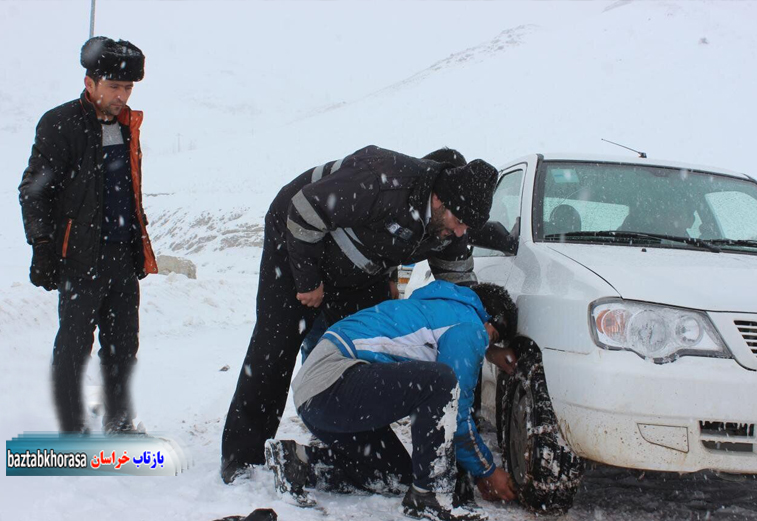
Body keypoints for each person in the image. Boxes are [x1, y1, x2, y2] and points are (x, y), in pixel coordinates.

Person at [222, 146, 498, 483]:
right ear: (440, 201)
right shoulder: (383, 181)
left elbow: (460, 297)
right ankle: (242, 458)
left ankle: (359, 449)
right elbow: (305, 210)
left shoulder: (453, 228)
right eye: (459, 222)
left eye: (467, 227)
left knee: (369, 351)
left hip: (360, 267)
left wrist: (485, 336)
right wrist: (309, 280)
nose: (460, 233)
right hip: (297, 241)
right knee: (275, 345)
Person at [265, 280, 518, 521]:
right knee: (442, 381)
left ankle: (299, 462)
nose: (486, 343)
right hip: (333, 384)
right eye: (493, 337)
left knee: (397, 477)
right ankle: (431, 498)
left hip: (318, 397)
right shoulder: (470, 325)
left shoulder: (439, 309)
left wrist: (489, 351)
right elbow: (457, 412)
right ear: (489, 319)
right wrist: (487, 470)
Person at [18, 37, 157, 433]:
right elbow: (34, 190)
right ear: (90, 82)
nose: (121, 95)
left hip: (120, 257)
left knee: (123, 346)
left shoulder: (128, 125)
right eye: (114, 86)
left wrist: (137, 243)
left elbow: (127, 188)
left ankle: (118, 418)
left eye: (128, 88)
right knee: (74, 346)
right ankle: (71, 422)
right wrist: (41, 246)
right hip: (78, 257)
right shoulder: (60, 124)